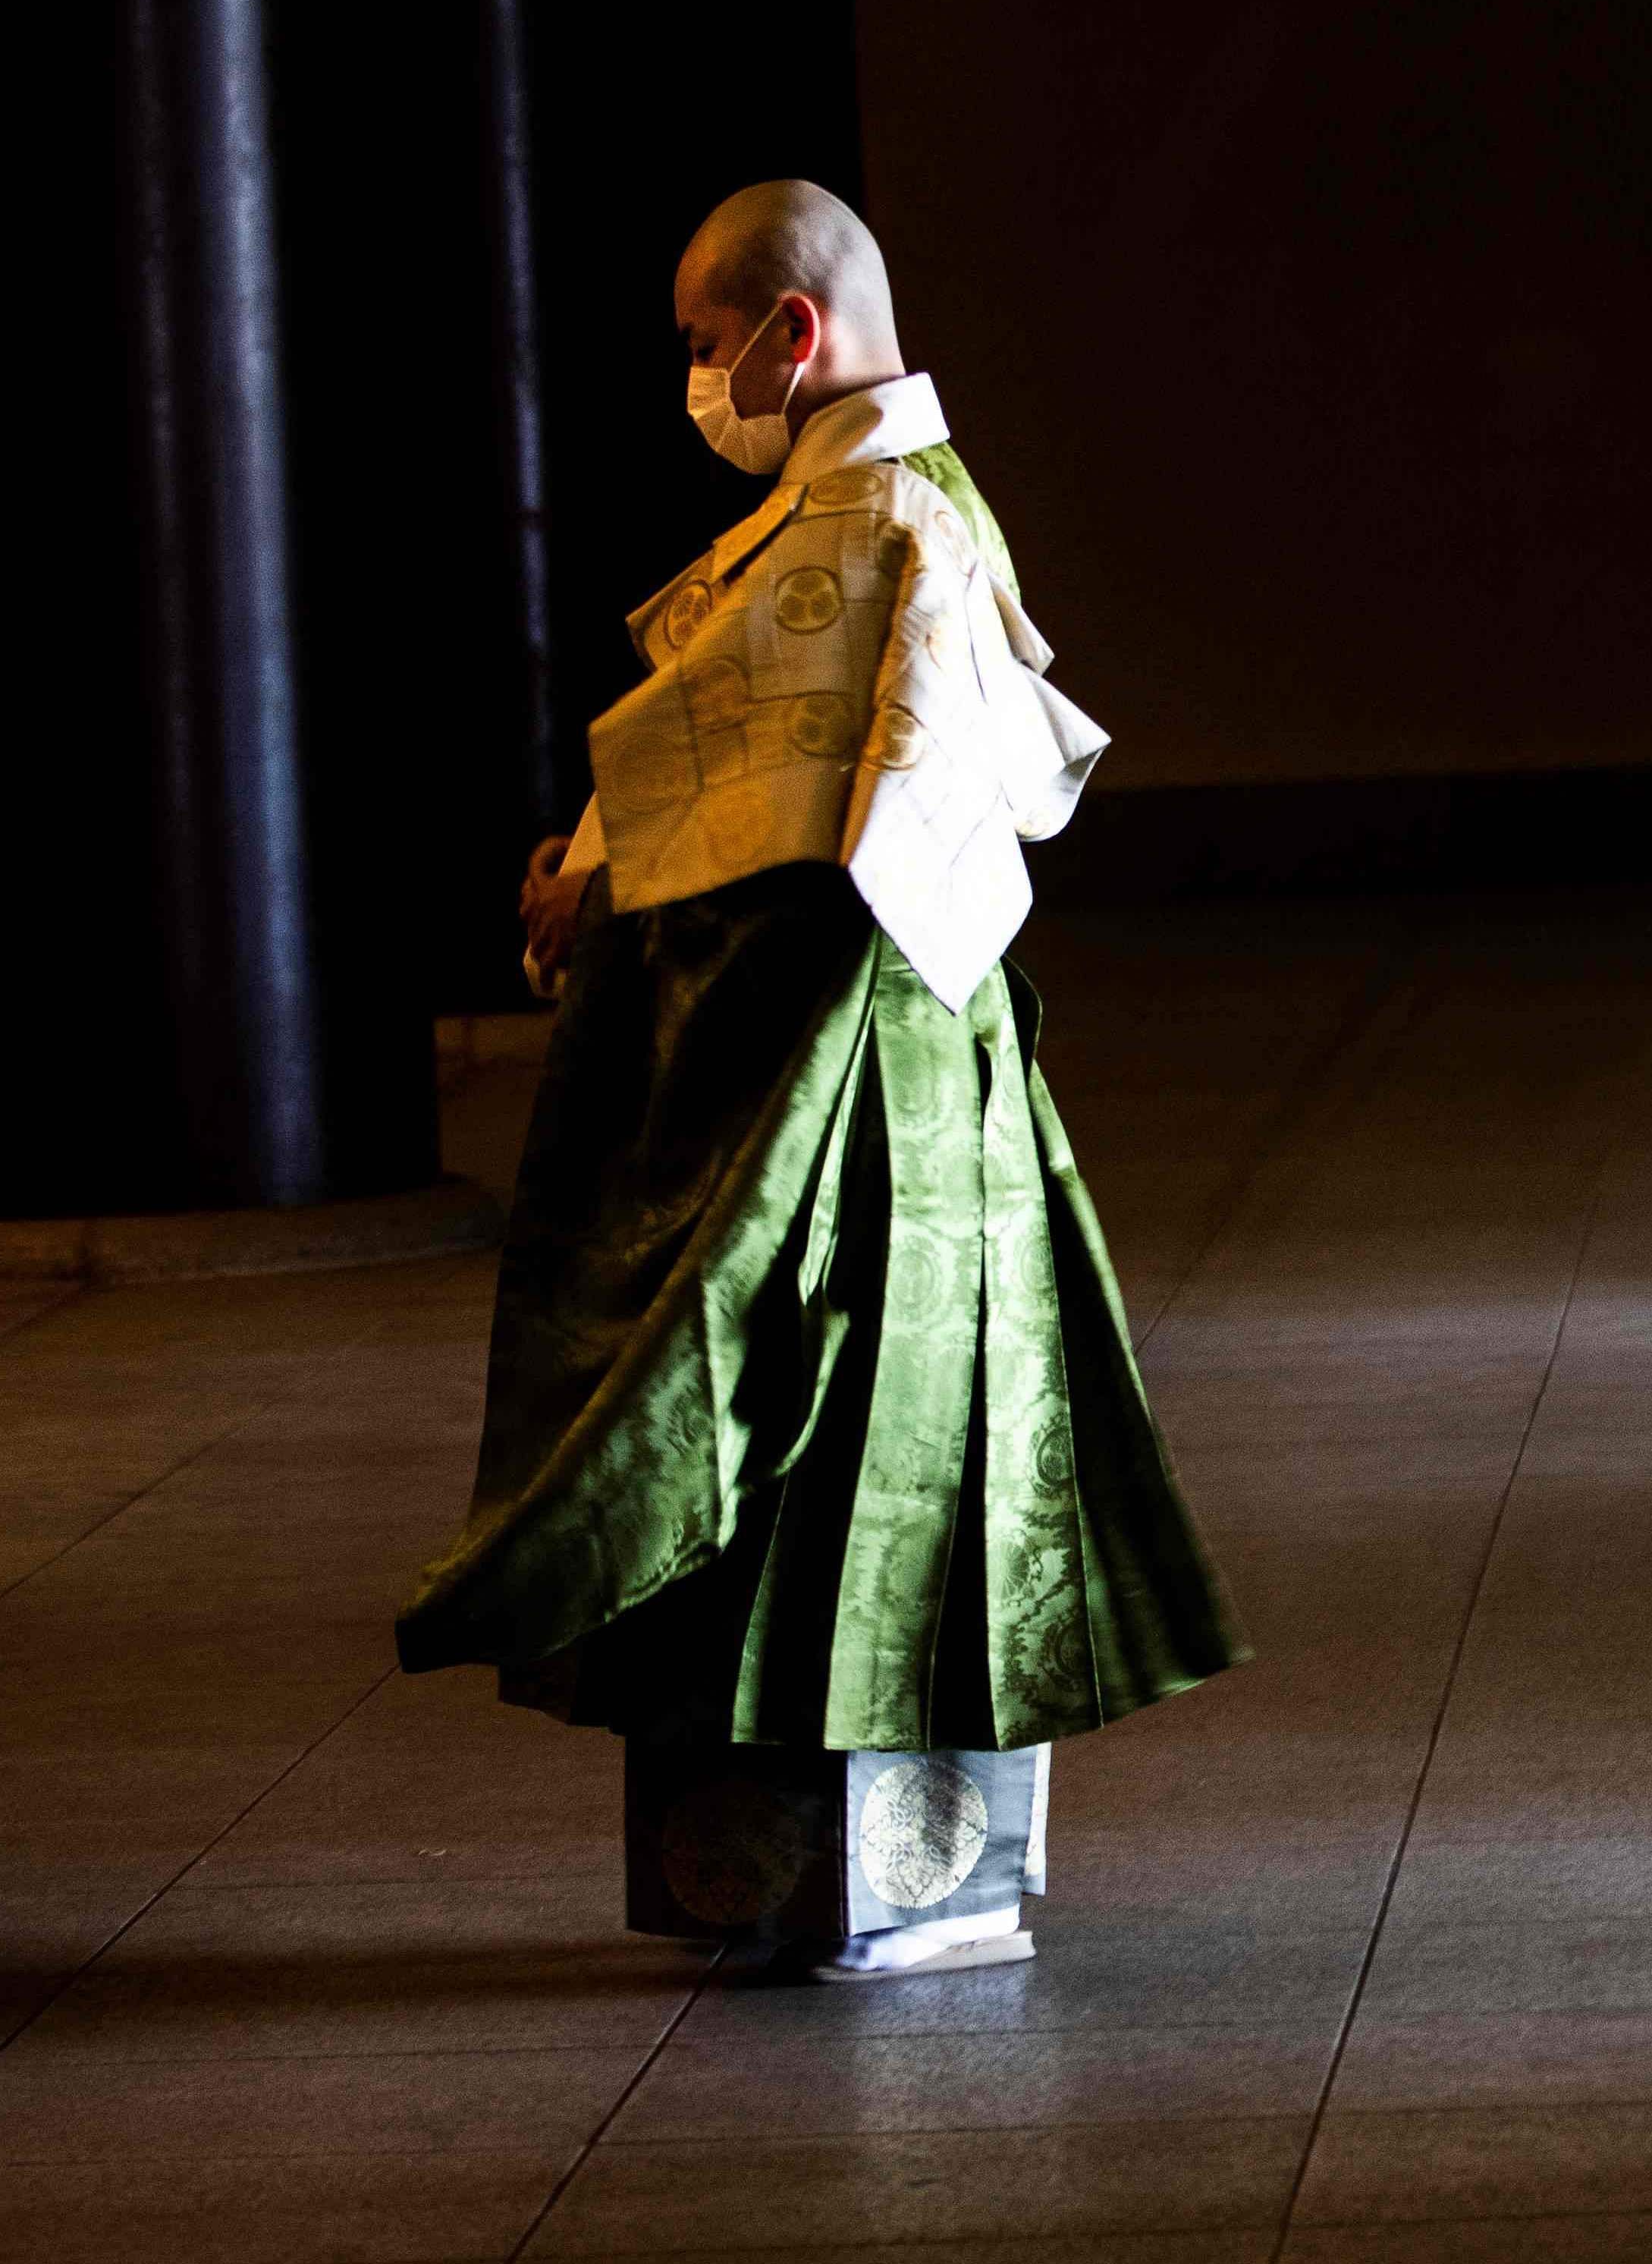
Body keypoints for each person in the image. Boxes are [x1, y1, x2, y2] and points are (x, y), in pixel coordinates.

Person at [397, 178, 1240, 1975]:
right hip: (925, 1046)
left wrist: (598, 875)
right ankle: (880, 1877)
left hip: (828, 1054)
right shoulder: (891, 507)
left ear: (793, 333)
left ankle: (836, 1876)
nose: (699, 383)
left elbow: (770, 812)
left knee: (815, 1405)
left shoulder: (865, 526)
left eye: (710, 348)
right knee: (910, 1413)